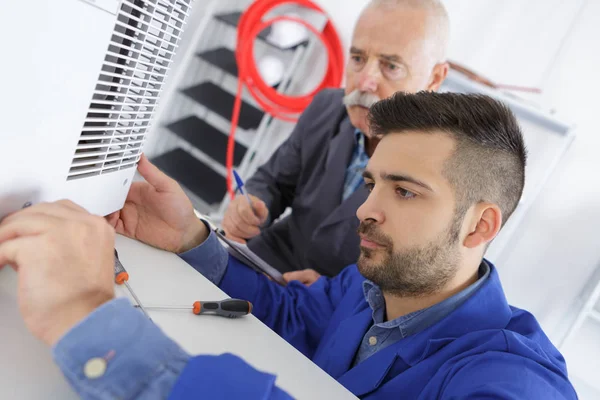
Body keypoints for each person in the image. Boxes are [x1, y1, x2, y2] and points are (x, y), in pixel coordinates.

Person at [0, 92, 577, 399]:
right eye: (373, 182)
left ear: (479, 227)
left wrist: (90, 320)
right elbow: (295, 315)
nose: (365, 207)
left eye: (404, 191)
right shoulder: (376, 283)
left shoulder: (514, 380)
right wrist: (193, 239)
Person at [222, 0, 450, 283]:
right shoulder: (327, 107)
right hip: (270, 260)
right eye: (357, 59)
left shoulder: (442, 173)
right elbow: (274, 182)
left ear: (434, 79)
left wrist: (332, 294)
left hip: (340, 307)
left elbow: (410, 285)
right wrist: (254, 205)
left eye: (391, 66)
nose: (365, 81)